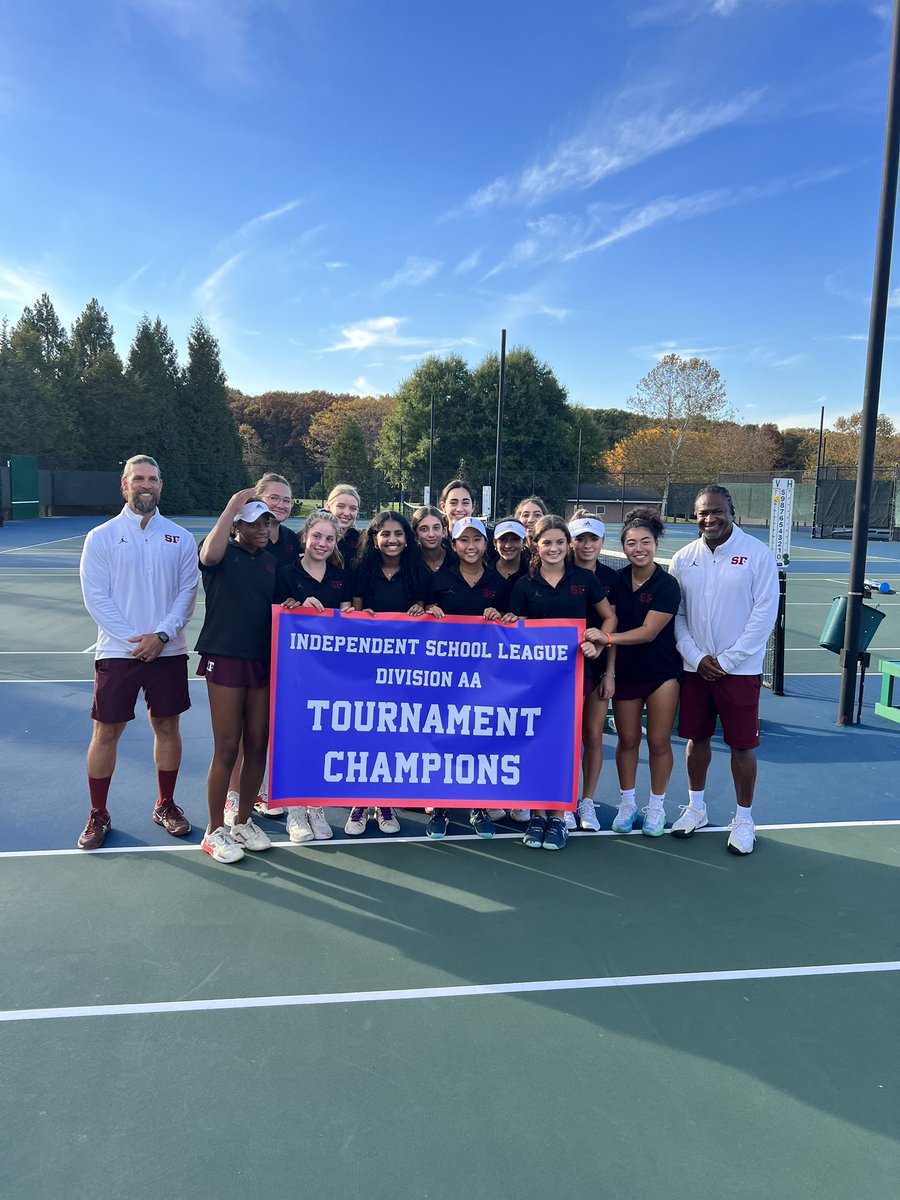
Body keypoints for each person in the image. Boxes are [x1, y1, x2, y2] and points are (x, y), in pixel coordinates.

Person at [77, 455, 200, 850]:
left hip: (169, 650)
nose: (146, 485)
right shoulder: (101, 537)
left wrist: (161, 635)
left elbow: (187, 593)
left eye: (152, 479)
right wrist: (136, 639)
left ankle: (166, 804)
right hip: (118, 651)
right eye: (139, 479)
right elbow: (96, 597)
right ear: (125, 484)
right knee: (107, 731)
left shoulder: (180, 537)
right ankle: (98, 812)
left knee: (167, 726)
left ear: (160, 485)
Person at [668, 485, 779, 855]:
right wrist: (696, 656)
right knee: (695, 739)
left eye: (717, 511)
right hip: (695, 669)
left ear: (732, 512)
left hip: (741, 671)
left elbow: (765, 614)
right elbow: (677, 614)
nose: (709, 518)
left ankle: (744, 819)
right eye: (703, 512)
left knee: (742, 746)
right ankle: (696, 808)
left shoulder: (758, 555)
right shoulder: (683, 558)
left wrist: (729, 661)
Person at [505, 514, 616, 851]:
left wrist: (599, 642)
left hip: (575, 675)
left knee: (566, 743)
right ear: (534, 545)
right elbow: (520, 631)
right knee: (538, 742)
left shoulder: (585, 579)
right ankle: (538, 815)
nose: (553, 548)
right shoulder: (523, 585)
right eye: (546, 543)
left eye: (558, 542)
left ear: (568, 545)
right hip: (537, 680)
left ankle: (558, 816)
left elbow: (609, 617)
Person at [585, 510, 682, 838]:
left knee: (658, 741)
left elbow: (648, 632)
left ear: (656, 544)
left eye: (645, 542)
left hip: (662, 674)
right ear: (623, 547)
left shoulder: (668, 585)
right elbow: (611, 626)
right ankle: (627, 804)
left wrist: (607, 638)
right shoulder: (615, 582)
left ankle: (656, 806)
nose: (638, 548)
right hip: (625, 674)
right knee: (628, 740)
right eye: (631, 543)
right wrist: (610, 672)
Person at [195, 491, 279, 864]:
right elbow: (208, 556)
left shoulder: (272, 563)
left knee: (258, 744)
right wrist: (231, 507)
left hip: (262, 661)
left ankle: (243, 822)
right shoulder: (220, 552)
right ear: (237, 526)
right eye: (254, 523)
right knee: (227, 747)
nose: (262, 529)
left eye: (267, 522)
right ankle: (214, 831)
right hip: (225, 658)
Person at [423, 517, 510, 841]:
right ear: (454, 545)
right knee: (443, 738)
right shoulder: (439, 579)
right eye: (464, 540)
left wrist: (500, 617)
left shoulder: (499, 583)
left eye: (476, 540)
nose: (470, 546)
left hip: (485, 677)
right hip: (444, 677)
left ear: (486, 544)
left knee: (478, 739)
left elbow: (511, 626)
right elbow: (421, 619)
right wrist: (429, 611)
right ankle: (441, 806)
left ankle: (478, 805)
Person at [346, 510, 427, 836]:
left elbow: (426, 613)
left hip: (406, 669)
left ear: (407, 538)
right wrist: (360, 615)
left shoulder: (417, 571)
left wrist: (423, 611)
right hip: (368, 667)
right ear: (374, 538)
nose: (392, 540)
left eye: (398, 534)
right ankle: (360, 801)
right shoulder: (360, 570)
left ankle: (385, 802)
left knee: (395, 734)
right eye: (385, 534)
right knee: (366, 733)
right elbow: (354, 614)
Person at [224, 471, 298, 822]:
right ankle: (233, 795)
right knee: (237, 732)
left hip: (281, 645)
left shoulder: (293, 541)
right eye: (274, 498)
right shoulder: (236, 541)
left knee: (264, 728)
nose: (281, 505)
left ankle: (260, 790)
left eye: (287, 499)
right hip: (242, 644)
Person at [276, 509, 351, 844]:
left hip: (331, 672)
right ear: (305, 536)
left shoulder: (341, 576)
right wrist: (294, 608)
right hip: (294, 672)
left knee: (324, 738)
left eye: (329, 539)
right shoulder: (285, 574)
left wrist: (352, 616)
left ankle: (316, 808)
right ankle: (295, 812)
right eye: (317, 536)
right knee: (295, 737)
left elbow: (348, 619)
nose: (322, 543)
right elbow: (277, 617)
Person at [568, 514, 619, 832]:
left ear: (602, 542)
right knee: (565, 738)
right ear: (571, 542)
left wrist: (609, 672)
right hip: (560, 672)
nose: (587, 545)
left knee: (592, 736)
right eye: (580, 539)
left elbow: (612, 627)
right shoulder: (558, 570)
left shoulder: (612, 579)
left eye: (593, 539)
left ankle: (587, 801)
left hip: (596, 670)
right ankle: (564, 800)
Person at [325, 483, 362, 562]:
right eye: (341, 506)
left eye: (353, 508)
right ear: (328, 507)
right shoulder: (311, 537)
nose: (346, 513)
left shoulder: (361, 541)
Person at [412, 505, 450, 574]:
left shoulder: (455, 559)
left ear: (444, 531)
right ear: (416, 533)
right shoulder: (409, 561)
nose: (431, 534)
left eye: (436, 528)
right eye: (424, 529)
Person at [492, 518, 529, 585]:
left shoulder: (533, 572)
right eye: (503, 539)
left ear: (524, 542)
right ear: (495, 543)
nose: (508, 546)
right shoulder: (484, 572)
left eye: (515, 539)